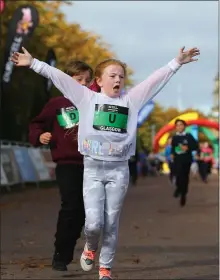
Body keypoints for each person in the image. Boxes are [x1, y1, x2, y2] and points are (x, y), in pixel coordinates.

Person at [11, 45, 200, 280]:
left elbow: (154, 81)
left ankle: (105, 269)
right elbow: (57, 76)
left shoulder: (132, 100)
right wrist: (33, 63)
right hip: (92, 169)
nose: (117, 79)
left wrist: (176, 62)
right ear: (99, 81)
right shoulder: (85, 97)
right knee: (93, 224)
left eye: (121, 76)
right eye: (112, 76)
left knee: (111, 222)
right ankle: (90, 246)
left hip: (118, 170)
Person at [29, 60, 93, 271]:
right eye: (78, 80)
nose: (83, 84)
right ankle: (61, 254)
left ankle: (73, 246)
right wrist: (40, 135)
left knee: (86, 212)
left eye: (87, 80)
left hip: (93, 164)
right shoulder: (57, 104)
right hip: (67, 164)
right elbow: (36, 123)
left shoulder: (95, 103)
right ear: (66, 81)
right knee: (71, 206)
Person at [171, 119, 199, 207]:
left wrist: (187, 147)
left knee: (185, 178)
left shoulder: (188, 136)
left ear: (184, 126)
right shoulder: (174, 137)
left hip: (186, 160)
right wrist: (172, 154)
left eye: (181, 125)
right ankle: (178, 188)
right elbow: (173, 147)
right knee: (178, 175)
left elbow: (195, 146)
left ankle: (183, 195)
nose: (179, 127)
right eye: (177, 125)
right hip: (177, 160)